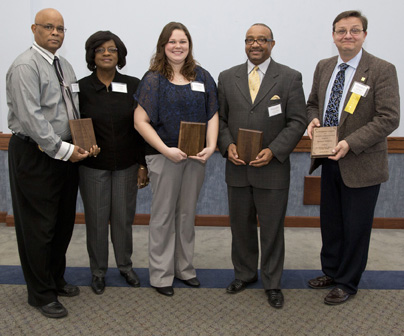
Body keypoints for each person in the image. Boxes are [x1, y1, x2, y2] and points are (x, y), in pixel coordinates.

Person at [6, 8, 98, 318]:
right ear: (34, 29)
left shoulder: (65, 66)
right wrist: (62, 149)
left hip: (66, 153)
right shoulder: (25, 66)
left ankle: (55, 278)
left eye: (60, 28)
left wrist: (82, 143)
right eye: (49, 27)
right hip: (36, 153)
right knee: (39, 227)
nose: (55, 32)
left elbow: (72, 109)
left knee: (61, 223)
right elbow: (32, 119)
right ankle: (40, 294)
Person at [306, 10, 400, 305]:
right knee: (331, 221)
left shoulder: (382, 69)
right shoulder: (324, 67)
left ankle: (347, 281)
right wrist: (312, 121)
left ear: (364, 35)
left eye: (354, 30)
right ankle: (332, 271)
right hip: (328, 158)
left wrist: (350, 142)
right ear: (333, 36)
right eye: (341, 31)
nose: (348, 35)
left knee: (356, 225)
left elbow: (389, 117)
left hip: (361, 160)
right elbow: (312, 104)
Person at [217, 23, 307, 309]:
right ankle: (244, 274)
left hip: (273, 169)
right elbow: (219, 119)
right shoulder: (227, 77)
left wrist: (273, 150)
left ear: (272, 43)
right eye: (250, 40)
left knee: (271, 229)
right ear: (245, 44)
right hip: (237, 167)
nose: (255, 44)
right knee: (240, 227)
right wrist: (226, 144)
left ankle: (272, 282)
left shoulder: (290, 78)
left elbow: (297, 121)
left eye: (262, 40)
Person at [134, 22, 219, 297]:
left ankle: (185, 269)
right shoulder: (153, 79)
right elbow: (140, 121)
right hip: (164, 157)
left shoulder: (202, 76)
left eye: (183, 41)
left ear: (189, 45)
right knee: (162, 216)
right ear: (163, 46)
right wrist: (165, 150)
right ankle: (160, 275)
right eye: (172, 41)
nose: (178, 46)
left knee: (186, 215)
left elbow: (213, 114)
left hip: (196, 157)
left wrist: (212, 145)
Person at [78, 31, 148, 295]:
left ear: (120, 55)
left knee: (123, 219)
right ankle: (97, 271)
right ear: (92, 55)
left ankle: (125, 266)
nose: (106, 53)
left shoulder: (133, 84)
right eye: (100, 50)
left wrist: (142, 164)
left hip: (127, 166)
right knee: (96, 220)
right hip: (92, 166)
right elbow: (73, 124)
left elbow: (141, 127)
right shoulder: (80, 87)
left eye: (112, 49)